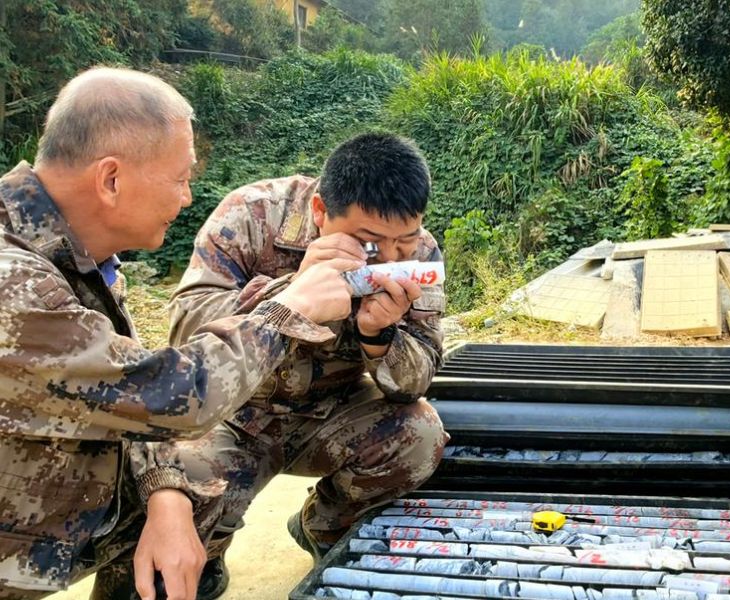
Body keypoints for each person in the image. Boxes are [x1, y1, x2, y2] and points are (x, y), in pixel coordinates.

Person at [0, 67, 357, 600]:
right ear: (111, 179)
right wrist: (288, 308)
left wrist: (165, 496)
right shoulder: (16, 285)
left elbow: (124, 399)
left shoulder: (72, 254)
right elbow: (170, 393)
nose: (188, 197)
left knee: (192, 487)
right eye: (180, 178)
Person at [166, 132, 448, 593]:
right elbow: (185, 335)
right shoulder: (251, 215)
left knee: (418, 433)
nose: (392, 258)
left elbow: (416, 380)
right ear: (320, 212)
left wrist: (380, 338)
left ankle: (327, 528)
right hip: (236, 412)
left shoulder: (421, 253)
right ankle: (208, 553)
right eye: (370, 244)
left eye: (406, 240)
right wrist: (293, 293)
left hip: (333, 411)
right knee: (176, 484)